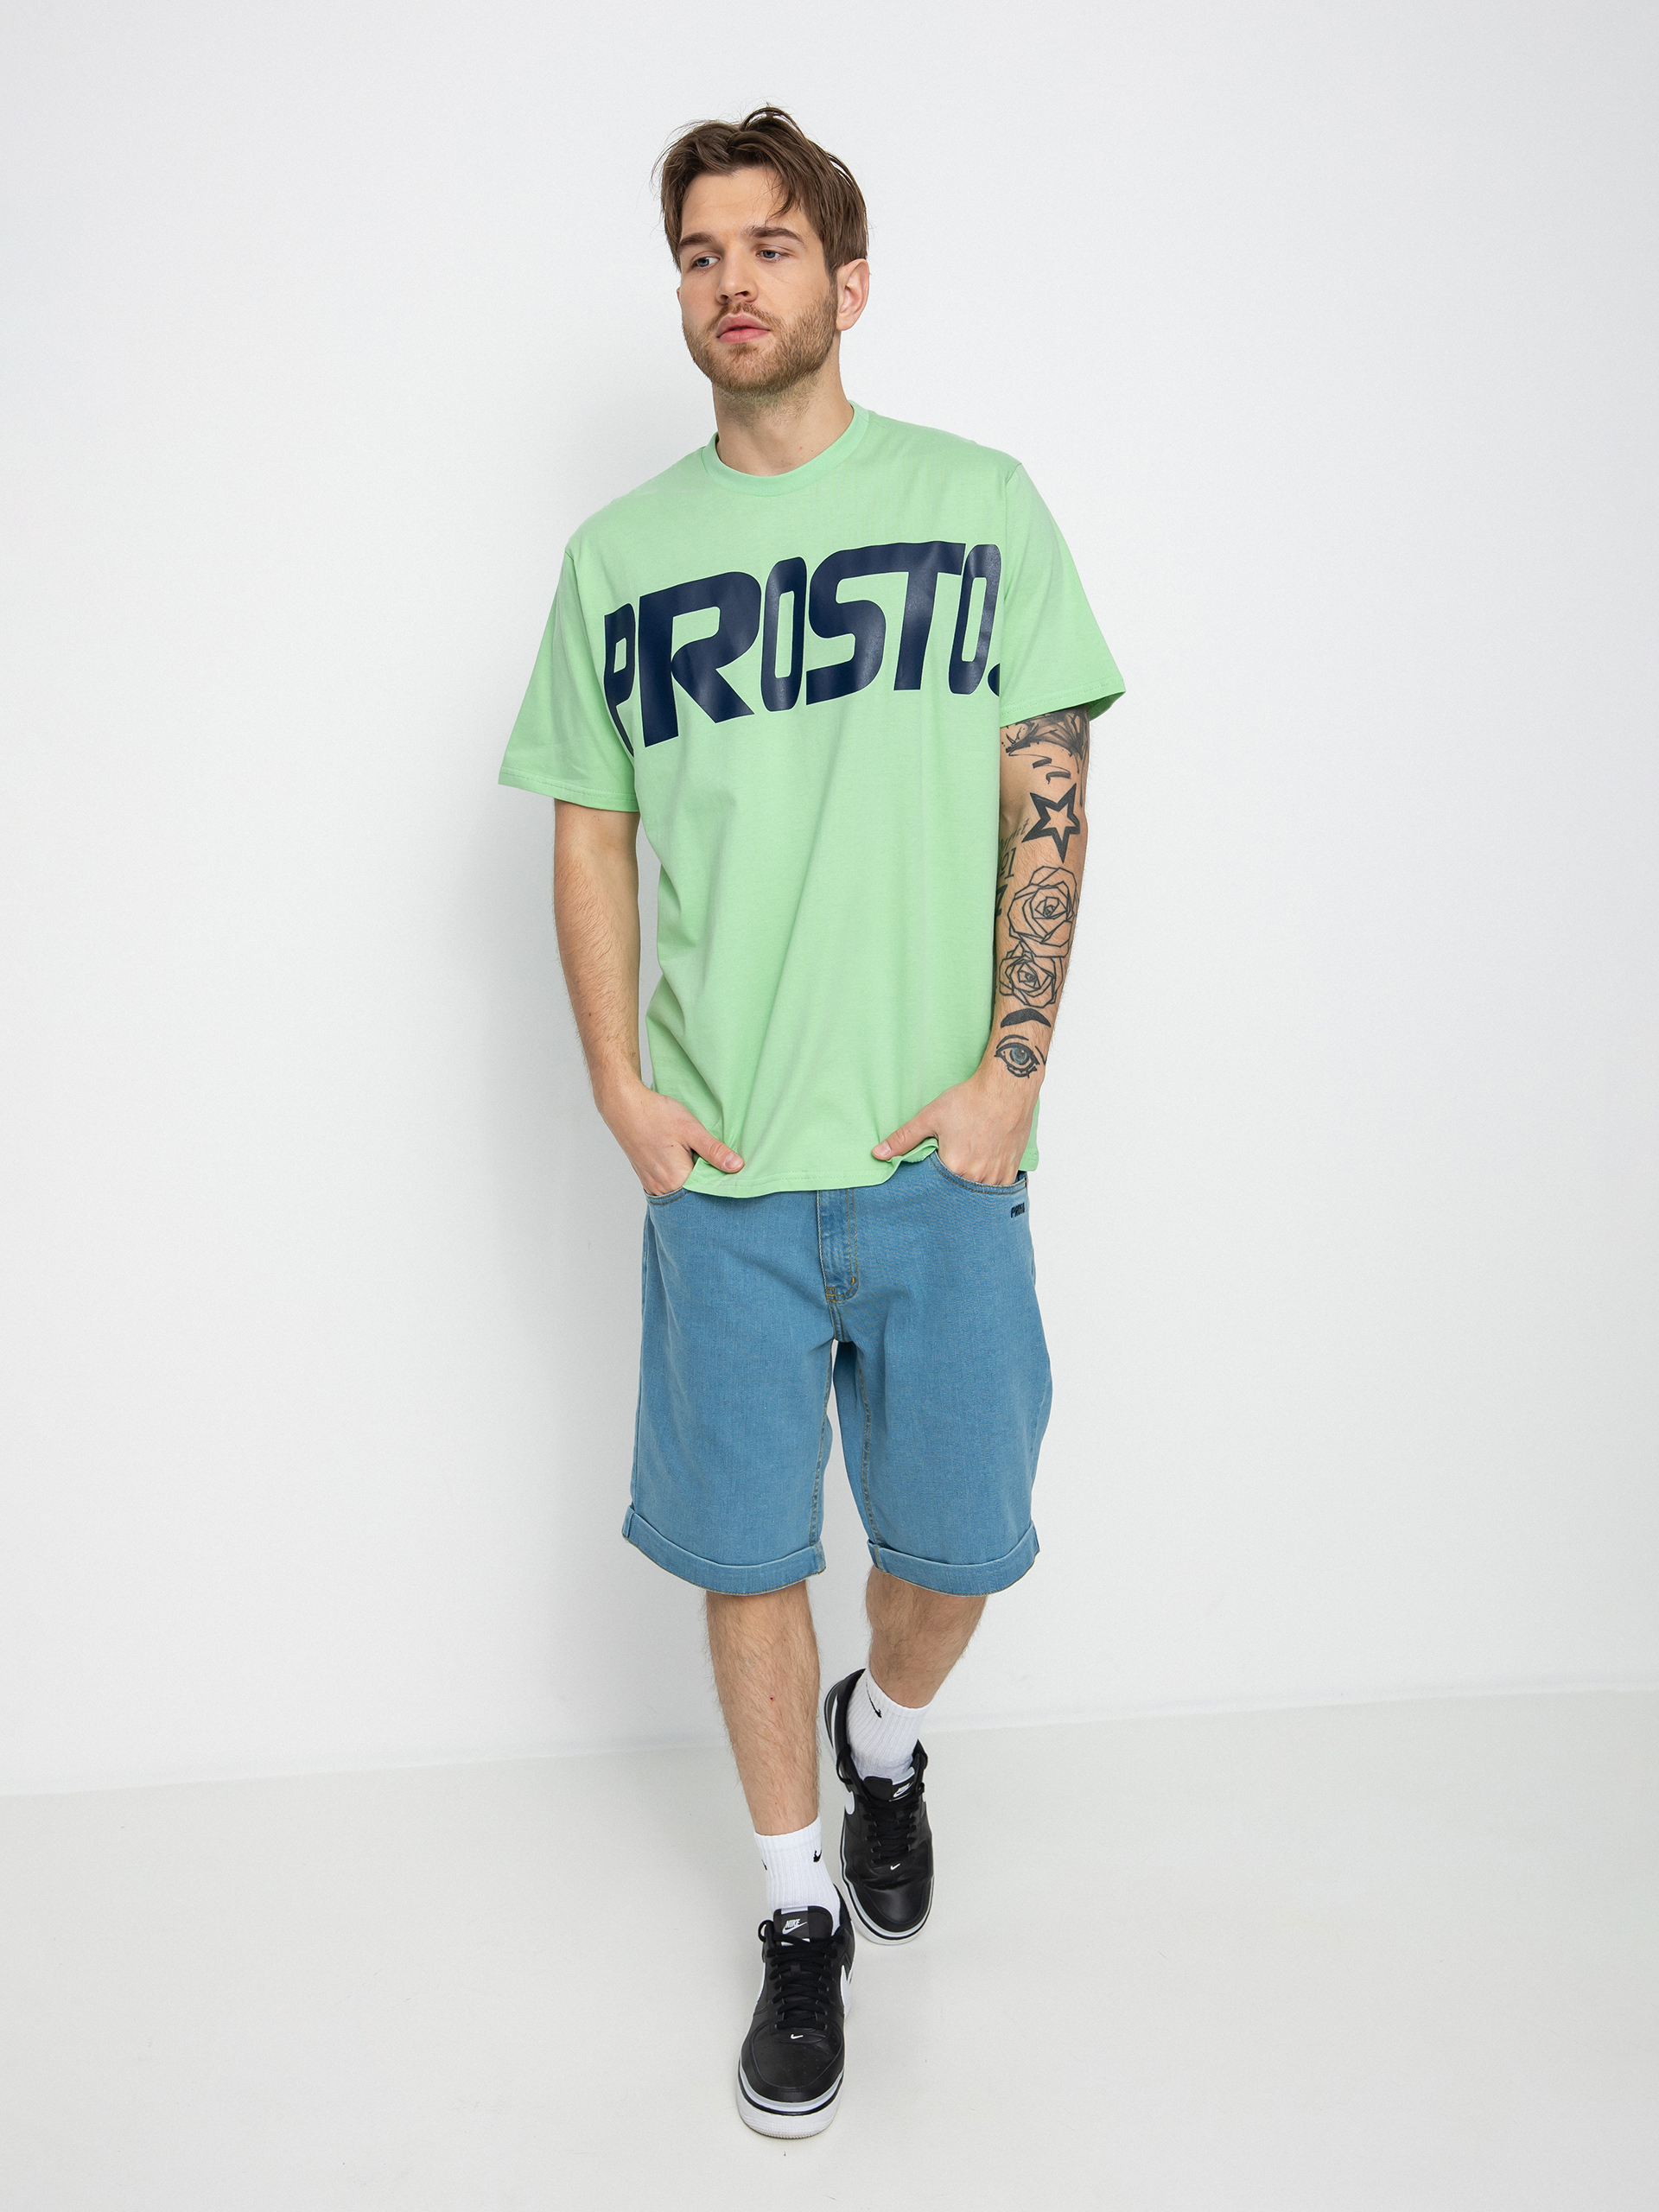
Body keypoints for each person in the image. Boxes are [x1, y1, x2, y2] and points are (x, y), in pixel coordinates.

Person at [500, 106, 1122, 2138]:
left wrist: (1012, 1070)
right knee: (747, 1549)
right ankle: (796, 1908)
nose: (732, 282)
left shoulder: (979, 503)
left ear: (847, 283)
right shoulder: (619, 560)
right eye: (699, 253)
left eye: (769, 247)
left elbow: (1049, 784)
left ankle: (890, 1728)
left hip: (942, 1154)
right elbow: (591, 833)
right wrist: (622, 1087)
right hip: (731, 1173)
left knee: (966, 1544)